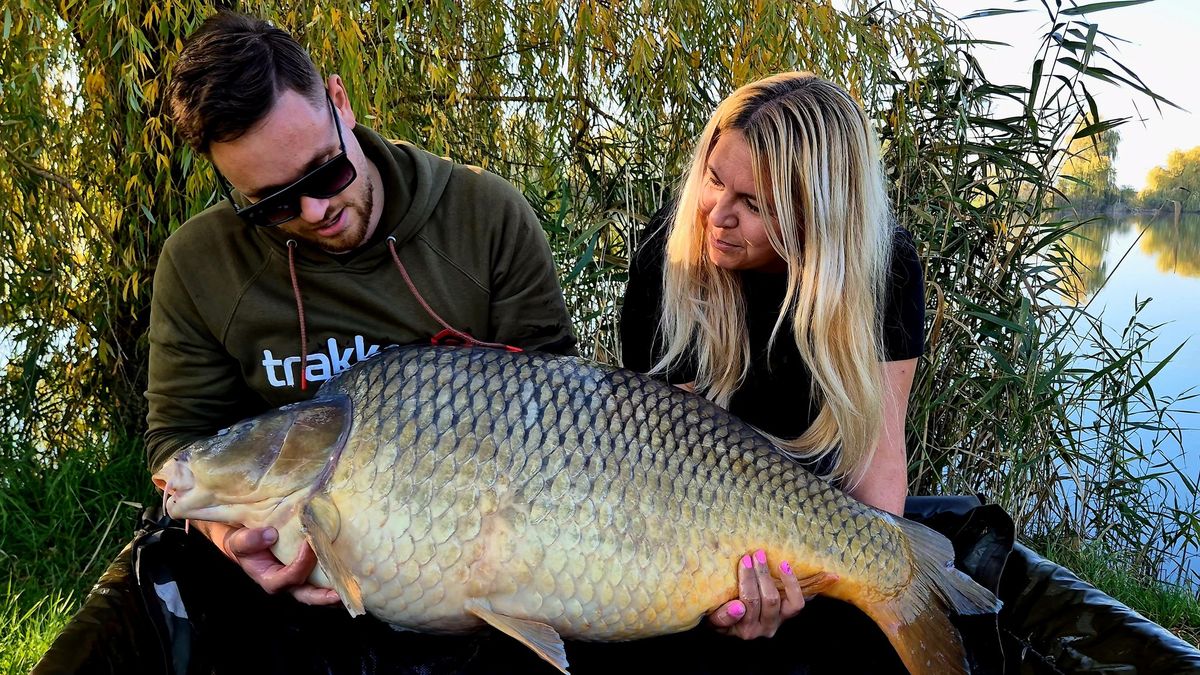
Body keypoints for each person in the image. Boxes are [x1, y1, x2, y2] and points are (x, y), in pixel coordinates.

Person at [146, 10, 576, 608]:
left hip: (490, 545)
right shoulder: (199, 264)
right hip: (298, 582)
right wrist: (229, 539)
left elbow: (565, 419)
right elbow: (178, 443)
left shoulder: (486, 217)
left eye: (324, 171)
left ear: (340, 102)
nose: (315, 211)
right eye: (272, 202)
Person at [621, 72, 926, 642]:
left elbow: (878, 477)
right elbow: (655, 470)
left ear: (820, 214)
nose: (716, 215)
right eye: (714, 181)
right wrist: (702, 582)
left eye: (754, 204)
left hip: (816, 522)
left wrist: (867, 571)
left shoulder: (885, 269)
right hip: (692, 527)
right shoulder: (665, 257)